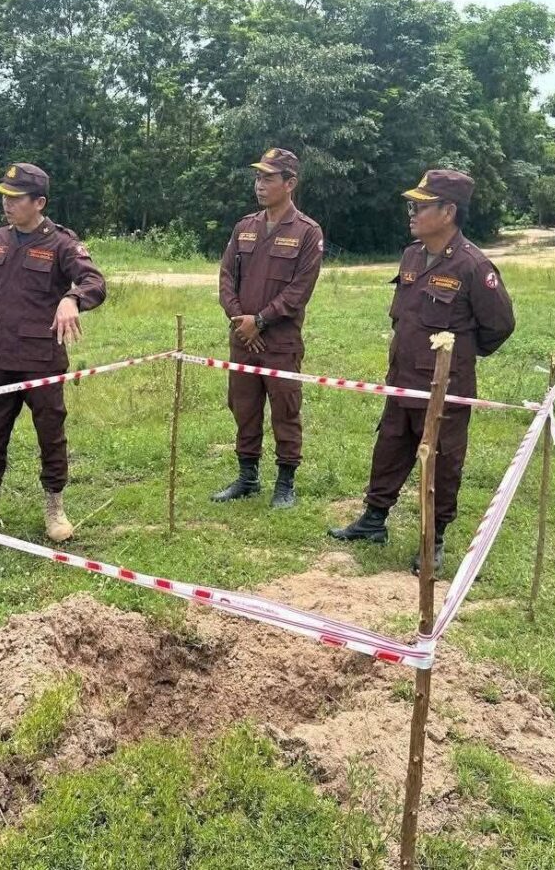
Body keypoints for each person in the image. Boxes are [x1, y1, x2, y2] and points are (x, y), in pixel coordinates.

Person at [329, 169, 515, 573]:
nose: (412, 212)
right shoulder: (412, 255)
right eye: (412, 205)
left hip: (444, 388)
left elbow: (499, 325)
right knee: (390, 446)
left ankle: (435, 538)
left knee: (442, 462)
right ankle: (373, 520)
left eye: (422, 206)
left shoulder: (472, 265)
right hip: (402, 379)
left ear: (449, 212)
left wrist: (462, 355)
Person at [0, 163, 106, 541]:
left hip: (42, 361)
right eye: (4, 197)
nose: (7, 204)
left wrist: (72, 299)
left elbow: (95, 282)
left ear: (39, 202)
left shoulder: (62, 243)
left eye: (16, 198)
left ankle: (54, 507)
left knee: (50, 434)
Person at [213, 148, 324, 508]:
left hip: (280, 342)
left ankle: (285, 483)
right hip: (242, 339)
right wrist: (240, 320)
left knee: (285, 409)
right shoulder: (244, 227)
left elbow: (299, 290)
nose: (259, 185)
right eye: (258, 177)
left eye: (268, 178)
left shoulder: (307, 232)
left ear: (290, 183)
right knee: (243, 407)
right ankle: (247, 477)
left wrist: (260, 321)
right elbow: (226, 277)